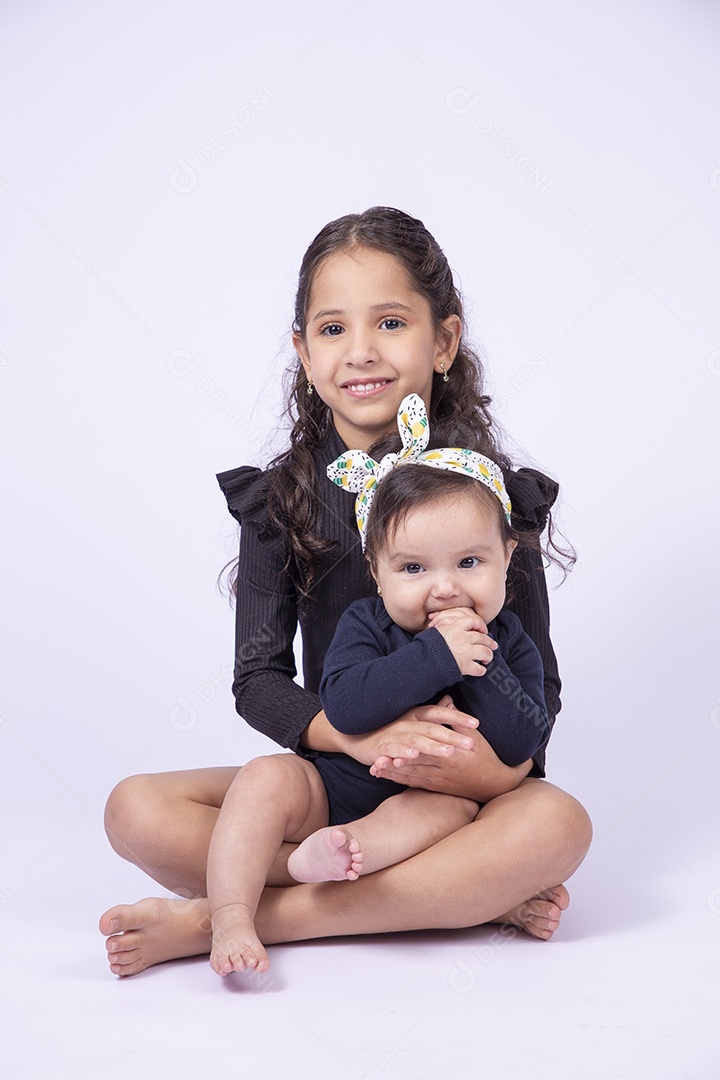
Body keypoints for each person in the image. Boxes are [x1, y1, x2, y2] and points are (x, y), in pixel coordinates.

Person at [100, 207, 592, 978]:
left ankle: (221, 921)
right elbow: (258, 681)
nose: (360, 351)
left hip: (457, 797)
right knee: (135, 809)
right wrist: (353, 738)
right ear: (301, 351)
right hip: (333, 772)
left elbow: (541, 691)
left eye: (391, 321)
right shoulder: (279, 503)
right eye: (331, 329)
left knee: (558, 825)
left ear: (444, 341)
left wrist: (483, 775)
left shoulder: (488, 502)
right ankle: (457, 896)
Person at [208, 393, 551, 975]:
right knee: (264, 778)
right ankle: (231, 917)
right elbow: (344, 705)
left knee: (463, 816)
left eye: (469, 563)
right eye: (414, 568)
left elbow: (524, 738)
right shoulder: (365, 623)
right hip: (337, 785)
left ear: (507, 554)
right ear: (377, 570)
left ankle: (348, 859)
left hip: (433, 805)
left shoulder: (508, 638)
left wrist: (481, 659)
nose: (444, 589)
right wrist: (436, 657)